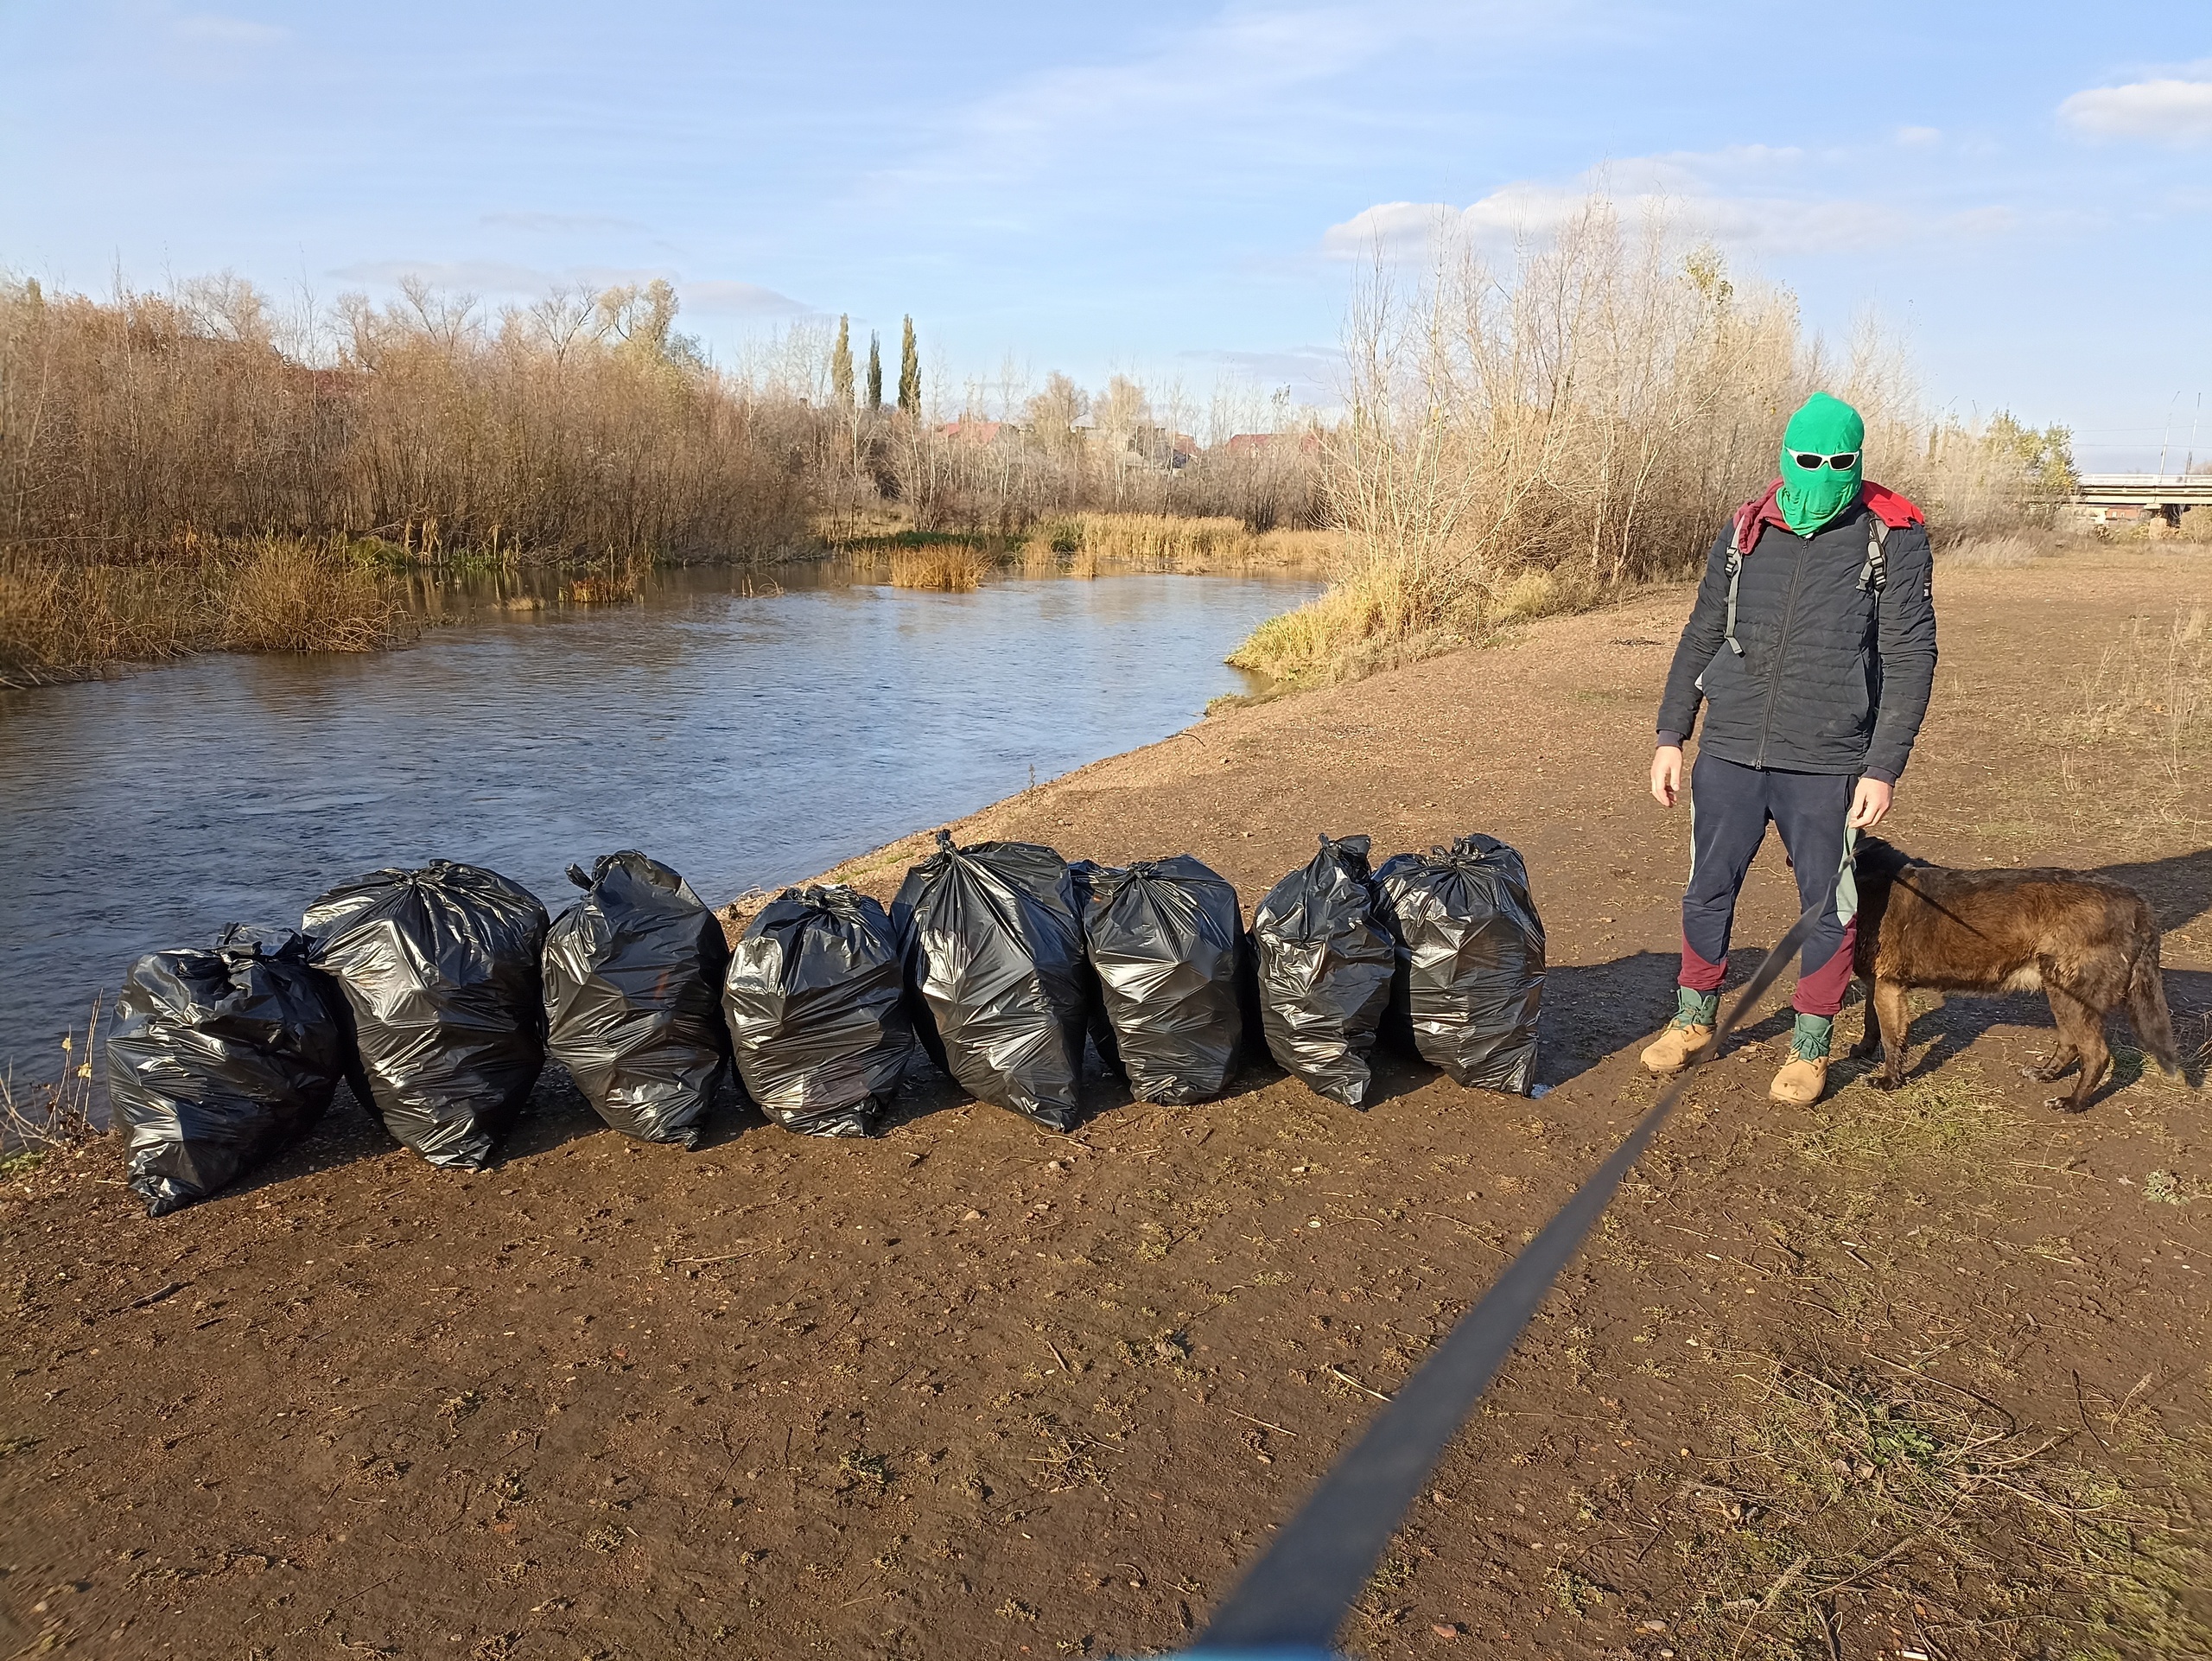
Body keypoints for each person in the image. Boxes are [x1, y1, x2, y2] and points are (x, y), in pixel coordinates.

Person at [1642, 391, 1937, 1105]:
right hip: (1732, 747)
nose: (1822, 473)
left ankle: (1811, 1044)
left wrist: (1883, 766)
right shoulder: (1746, 530)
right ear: (1785, 456)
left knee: (1828, 905)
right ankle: (1693, 1018)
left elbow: (1911, 654)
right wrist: (1671, 734)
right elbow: (1701, 632)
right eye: (1808, 459)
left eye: (1839, 462)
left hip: (1829, 759)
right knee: (1706, 889)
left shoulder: (1891, 536)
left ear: (1858, 462)